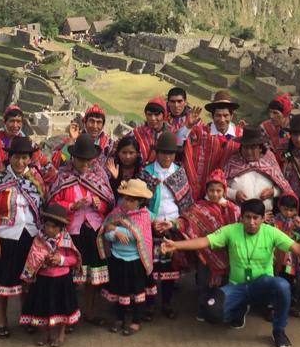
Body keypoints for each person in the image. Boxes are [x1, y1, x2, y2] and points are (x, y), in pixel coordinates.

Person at [161, 198, 300, 347]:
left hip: (261, 285)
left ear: (263, 219)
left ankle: (279, 331)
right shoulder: (231, 230)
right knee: (211, 312)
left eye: (256, 218)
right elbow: (204, 241)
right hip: (237, 286)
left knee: (282, 286)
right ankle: (238, 311)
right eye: (247, 217)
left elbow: (297, 248)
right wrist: (176, 245)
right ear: (241, 217)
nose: (251, 222)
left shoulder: (271, 232)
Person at [0, 136, 46, 338]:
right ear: (9, 157)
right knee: (2, 282)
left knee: (27, 281)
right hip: (5, 237)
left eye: (24, 158)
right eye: (16, 158)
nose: (20, 162)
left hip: (30, 235)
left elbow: (42, 207)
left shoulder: (35, 180)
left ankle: (26, 317)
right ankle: (1, 321)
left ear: (29, 158)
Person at [48, 136, 115, 327]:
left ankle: (90, 312)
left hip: (93, 232)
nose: (85, 164)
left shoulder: (98, 176)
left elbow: (108, 203)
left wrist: (98, 204)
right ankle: (68, 316)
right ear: (73, 158)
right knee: (69, 277)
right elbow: (52, 203)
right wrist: (71, 206)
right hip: (72, 232)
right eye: (81, 160)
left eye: (88, 160)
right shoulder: (62, 177)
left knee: (92, 276)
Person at [138, 131, 194, 320]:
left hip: (172, 227)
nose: (166, 157)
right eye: (163, 152)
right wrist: (153, 220)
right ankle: (150, 305)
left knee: (170, 268)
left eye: (170, 153)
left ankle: (167, 303)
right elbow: (139, 202)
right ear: (157, 152)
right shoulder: (146, 173)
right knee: (150, 268)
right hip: (150, 225)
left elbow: (186, 204)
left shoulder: (179, 173)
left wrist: (173, 223)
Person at [175, 169, 241, 321]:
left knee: (224, 284)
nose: (215, 194)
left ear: (224, 190)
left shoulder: (232, 208)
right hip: (205, 254)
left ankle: (220, 309)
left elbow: (239, 224)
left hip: (226, 253)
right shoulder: (198, 207)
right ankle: (202, 309)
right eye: (211, 190)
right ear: (207, 190)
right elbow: (187, 221)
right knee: (204, 283)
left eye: (219, 190)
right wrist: (173, 224)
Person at [97, 179, 156, 336]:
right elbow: (106, 233)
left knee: (137, 291)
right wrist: (114, 232)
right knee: (119, 289)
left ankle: (136, 321)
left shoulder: (144, 216)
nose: (126, 202)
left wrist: (117, 229)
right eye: (125, 198)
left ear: (140, 201)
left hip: (135, 261)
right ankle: (119, 318)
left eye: (131, 200)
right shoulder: (116, 213)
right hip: (118, 258)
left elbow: (140, 236)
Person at [19, 203, 82, 347]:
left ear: (60, 227)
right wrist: (43, 261)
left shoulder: (66, 240)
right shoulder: (38, 240)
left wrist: (60, 260)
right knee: (43, 307)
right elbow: (33, 257)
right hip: (43, 280)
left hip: (62, 280)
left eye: (54, 227)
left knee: (62, 307)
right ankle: (45, 334)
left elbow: (74, 259)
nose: (50, 229)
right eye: (47, 225)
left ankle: (60, 335)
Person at [180, 91, 240, 201]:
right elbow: (179, 142)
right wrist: (188, 126)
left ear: (232, 115)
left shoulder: (239, 135)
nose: (222, 120)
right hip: (200, 190)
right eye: (218, 115)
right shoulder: (201, 132)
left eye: (226, 115)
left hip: (229, 194)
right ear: (212, 116)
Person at [224, 126, 293, 213]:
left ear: (260, 148)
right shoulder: (233, 163)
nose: (249, 152)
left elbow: (283, 187)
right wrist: (234, 194)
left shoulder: (270, 162)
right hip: (239, 215)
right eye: (246, 148)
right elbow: (220, 187)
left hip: (266, 217)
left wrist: (273, 192)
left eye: (253, 148)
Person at [271, 194, 300, 317]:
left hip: (294, 260)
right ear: (279, 207)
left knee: (293, 284)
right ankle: (276, 307)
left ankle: (291, 306)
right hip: (279, 258)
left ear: (296, 209)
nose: (288, 213)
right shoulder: (275, 222)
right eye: (285, 209)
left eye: (292, 210)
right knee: (279, 282)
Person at [51, 104, 112, 170]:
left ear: (103, 125)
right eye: (91, 121)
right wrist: (72, 139)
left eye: (99, 122)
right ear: (85, 123)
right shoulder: (73, 140)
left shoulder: (108, 145)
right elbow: (57, 163)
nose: (95, 126)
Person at [131, 98, 171, 162]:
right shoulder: (136, 134)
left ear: (164, 115)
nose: (152, 118)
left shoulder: (171, 134)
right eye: (149, 114)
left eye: (156, 114)